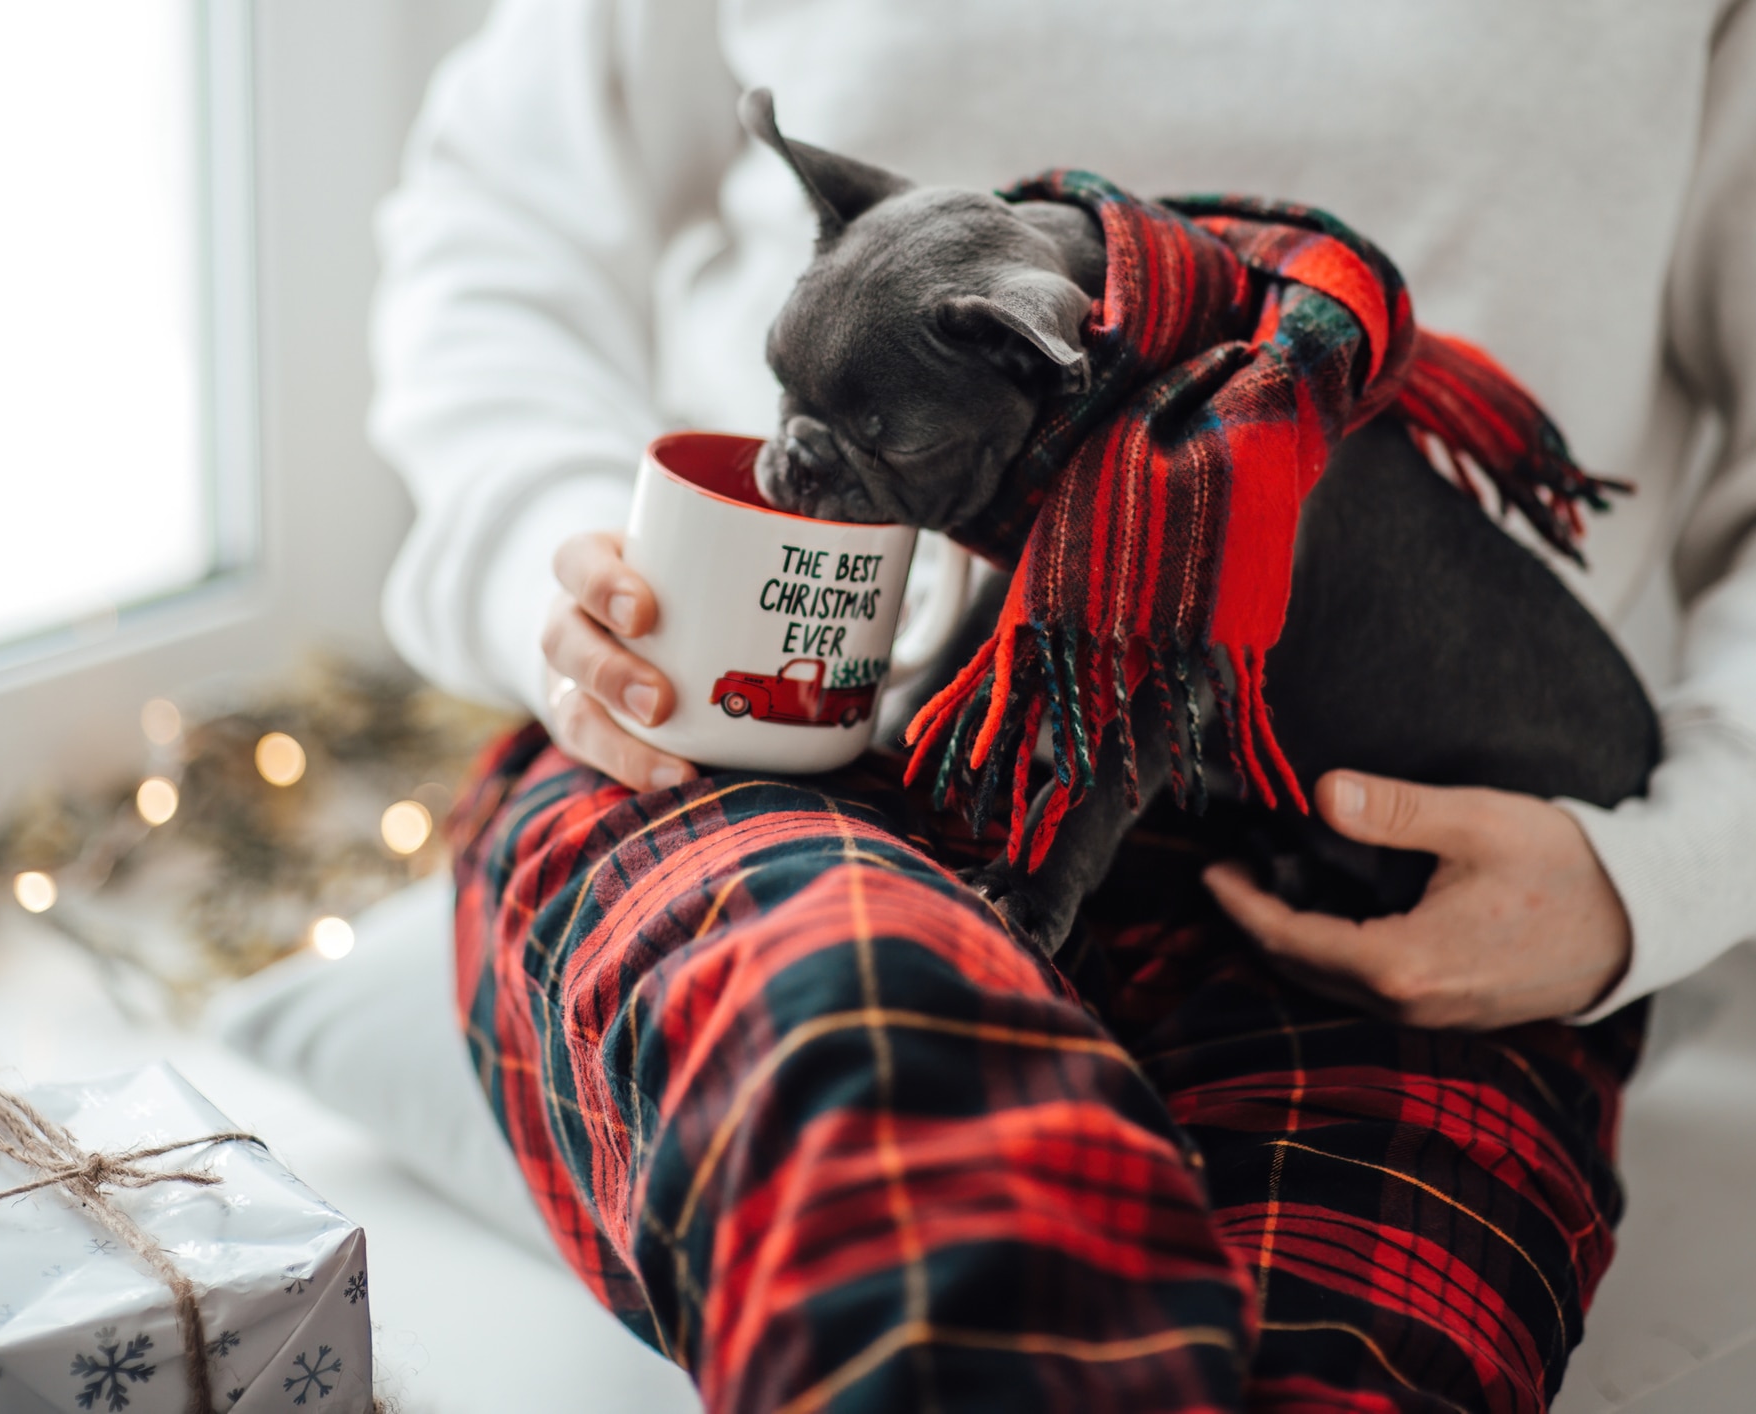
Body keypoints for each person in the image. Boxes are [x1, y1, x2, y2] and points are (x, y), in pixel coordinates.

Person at [371, 3, 1756, 1408]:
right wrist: (562, 561)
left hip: (1415, 854)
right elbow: (503, 220)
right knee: (870, 1114)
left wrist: (1657, 867)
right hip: (758, 733)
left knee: (1338, 1363)